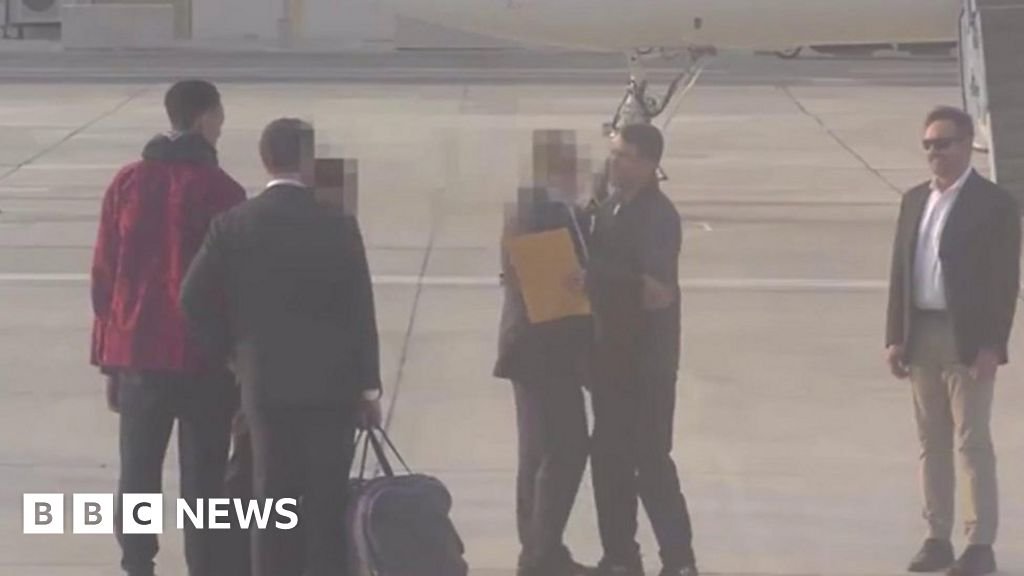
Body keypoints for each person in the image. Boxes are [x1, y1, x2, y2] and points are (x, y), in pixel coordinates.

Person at [180, 117, 383, 576]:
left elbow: (192, 299)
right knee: (325, 507)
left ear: (264, 159)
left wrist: (233, 357)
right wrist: (368, 388)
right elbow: (359, 311)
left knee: (272, 506)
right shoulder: (336, 222)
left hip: (265, 388)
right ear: (310, 162)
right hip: (332, 391)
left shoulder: (233, 224)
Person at [89, 79, 246, 576]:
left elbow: (105, 276)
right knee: (204, 479)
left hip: (137, 356)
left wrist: (107, 360)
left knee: (137, 474)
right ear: (204, 119)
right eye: (219, 117)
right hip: (204, 362)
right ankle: (206, 566)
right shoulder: (223, 191)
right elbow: (235, 288)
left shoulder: (128, 182)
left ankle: (138, 564)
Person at [885, 106, 1020, 576]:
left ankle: (979, 542)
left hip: (967, 336)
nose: (934, 154)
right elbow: (901, 271)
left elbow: (1004, 283)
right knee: (932, 441)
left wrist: (992, 345)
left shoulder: (993, 204)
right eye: (928, 146)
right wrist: (894, 336)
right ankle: (936, 535)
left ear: (966, 145)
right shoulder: (914, 200)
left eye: (943, 144)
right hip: (921, 332)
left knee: (972, 441)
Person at [584, 123, 697, 576]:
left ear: (650, 165)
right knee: (608, 464)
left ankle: (679, 560)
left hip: (647, 365)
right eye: (613, 154)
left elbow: (655, 292)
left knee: (650, 464)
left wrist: (594, 277)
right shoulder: (608, 208)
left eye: (625, 156)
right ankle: (620, 558)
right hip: (609, 361)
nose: (613, 163)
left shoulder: (658, 216)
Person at [494, 129, 594, 576]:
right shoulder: (542, 210)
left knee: (540, 453)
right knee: (563, 449)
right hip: (545, 350)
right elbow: (552, 288)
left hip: (535, 349)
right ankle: (540, 554)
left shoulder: (545, 207)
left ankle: (541, 551)